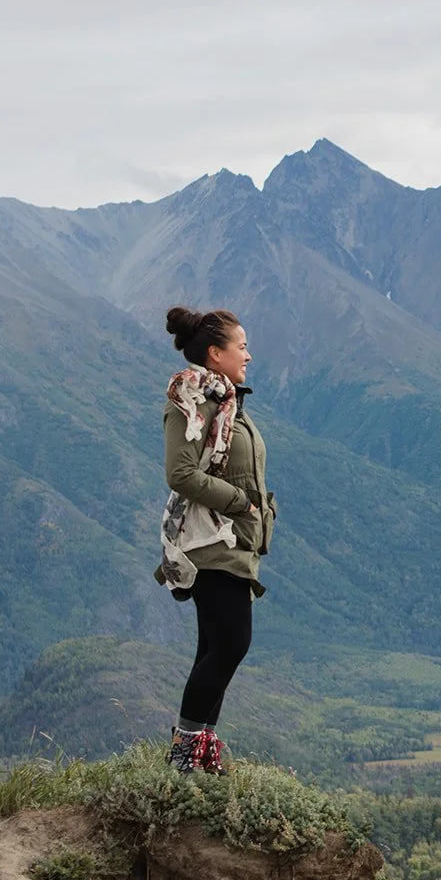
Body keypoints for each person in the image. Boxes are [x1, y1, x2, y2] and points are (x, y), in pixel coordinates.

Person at [156, 306, 276, 774]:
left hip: (234, 541)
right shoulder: (192, 401)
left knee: (218, 647)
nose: (248, 354)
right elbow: (180, 473)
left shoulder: (224, 401)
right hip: (212, 543)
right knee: (230, 644)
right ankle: (186, 754)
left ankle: (200, 753)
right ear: (215, 352)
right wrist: (241, 503)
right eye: (241, 346)